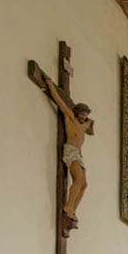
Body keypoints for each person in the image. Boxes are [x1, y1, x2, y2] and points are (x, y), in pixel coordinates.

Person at [39, 68, 93, 223]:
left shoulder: (84, 125)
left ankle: (72, 210)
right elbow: (58, 100)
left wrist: (89, 123)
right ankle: (68, 206)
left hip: (79, 154)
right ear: (76, 112)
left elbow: (90, 126)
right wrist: (49, 83)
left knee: (84, 184)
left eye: (85, 114)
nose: (83, 116)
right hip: (70, 151)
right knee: (77, 179)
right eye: (81, 113)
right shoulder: (70, 118)